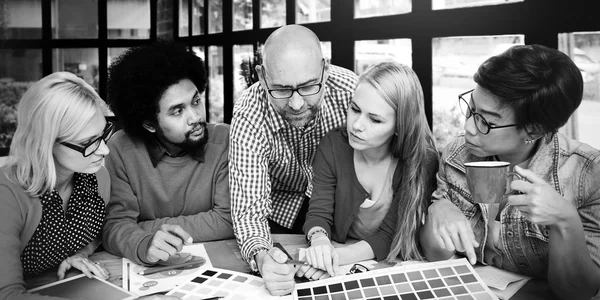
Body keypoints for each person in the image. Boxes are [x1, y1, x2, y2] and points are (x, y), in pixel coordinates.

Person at [420, 44, 600, 300]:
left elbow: (578, 293)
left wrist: (565, 221)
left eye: (486, 121)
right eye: (471, 109)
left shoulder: (588, 174)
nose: (469, 127)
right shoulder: (457, 155)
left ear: (534, 130)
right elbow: (433, 253)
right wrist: (437, 210)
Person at [229, 24, 358, 295]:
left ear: (325, 68)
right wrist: (262, 256)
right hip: (277, 213)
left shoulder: (351, 92)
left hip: (337, 209)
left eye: (309, 86)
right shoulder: (248, 114)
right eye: (282, 90)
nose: (297, 104)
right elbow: (249, 211)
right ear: (262, 77)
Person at [300, 62, 439, 279]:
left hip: (386, 265)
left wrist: (333, 257)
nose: (357, 125)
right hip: (342, 252)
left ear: (400, 126)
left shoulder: (422, 160)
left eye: (375, 119)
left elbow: (388, 237)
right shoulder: (333, 146)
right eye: (355, 109)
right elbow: (319, 212)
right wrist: (319, 242)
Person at [102, 40, 234, 267]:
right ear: (149, 123)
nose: (195, 117)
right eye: (178, 111)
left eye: (196, 101)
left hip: (218, 265)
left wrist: (141, 229)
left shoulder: (226, 140)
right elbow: (115, 225)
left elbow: (227, 220)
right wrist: (143, 243)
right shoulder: (119, 150)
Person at [0, 72, 112, 299]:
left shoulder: (97, 176)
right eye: (86, 143)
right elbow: (8, 295)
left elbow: (96, 232)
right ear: (45, 142)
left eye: (103, 134)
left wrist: (81, 253)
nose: (104, 150)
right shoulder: (7, 195)